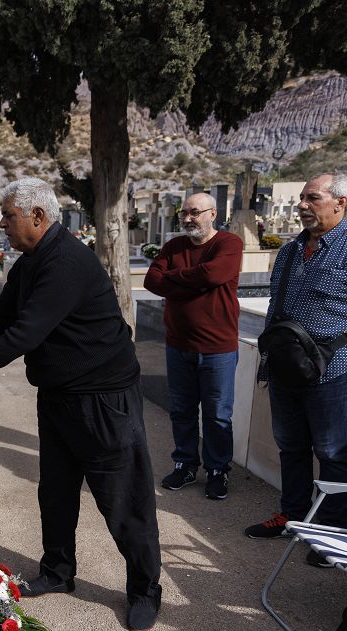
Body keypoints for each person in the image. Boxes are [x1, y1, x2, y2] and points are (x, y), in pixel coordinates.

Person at [0, 178, 162, 631]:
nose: (1, 224)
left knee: (121, 500)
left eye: (7, 216)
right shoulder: (31, 261)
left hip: (102, 399)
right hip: (60, 394)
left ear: (37, 217)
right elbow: (1, 318)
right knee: (55, 493)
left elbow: (25, 334)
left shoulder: (65, 263)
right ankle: (58, 572)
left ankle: (144, 588)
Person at [245, 173, 347, 569]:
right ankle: (292, 516)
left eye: (313, 198)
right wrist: (268, 359)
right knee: (291, 447)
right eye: (302, 198)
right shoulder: (290, 251)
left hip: (333, 371)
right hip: (286, 369)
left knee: (334, 454)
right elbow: (275, 309)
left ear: (340, 203)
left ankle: (333, 533)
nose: (304, 204)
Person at [144, 193, 243, 500]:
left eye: (195, 213)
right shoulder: (174, 246)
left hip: (218, 349)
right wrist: (194, 280)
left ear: (213, 214)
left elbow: (214, 273)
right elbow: (151, 281)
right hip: (178, 345)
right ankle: (185, 464)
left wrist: (173, 280)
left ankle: (217, 470)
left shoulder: (229, 244)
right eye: (184, 213)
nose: (188, 219)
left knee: (217, 414)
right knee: (182, 411)